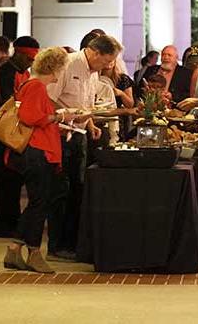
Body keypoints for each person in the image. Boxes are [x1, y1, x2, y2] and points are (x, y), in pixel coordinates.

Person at [3, 47, 89, 274]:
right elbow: (31, 117)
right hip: (37, 153)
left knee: (37, 202)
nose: (63, 73)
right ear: (54, 68)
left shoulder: (31, 85)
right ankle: (33, 252)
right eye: (62, 68)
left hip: (36, 151)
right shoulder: (36, 87)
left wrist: (57, 124)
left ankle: (15, 249)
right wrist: (61, 116)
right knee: (40, 203)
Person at [46, 34, 118, 261]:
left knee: (78, 190)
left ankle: (73, 242)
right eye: (106, 60)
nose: (108, 66)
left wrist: (90, 124)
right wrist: (65, 120)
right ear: (94, 52)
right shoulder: (68, 64)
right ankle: (57, 245)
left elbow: (85, 104)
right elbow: (49, 99)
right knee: (61, 191)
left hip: (80, 135)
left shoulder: (93, 72)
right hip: (61, 136)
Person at [0, 36, 39, 238]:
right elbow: (8, 101)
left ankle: (10, 220)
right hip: (4, 132)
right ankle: (3, 224)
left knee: (13, 178)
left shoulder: (22, 72)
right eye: (28, 58)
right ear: (17, 53)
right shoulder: (6, 71)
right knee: (6, 178)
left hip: (15, 131)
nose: (30, 62)